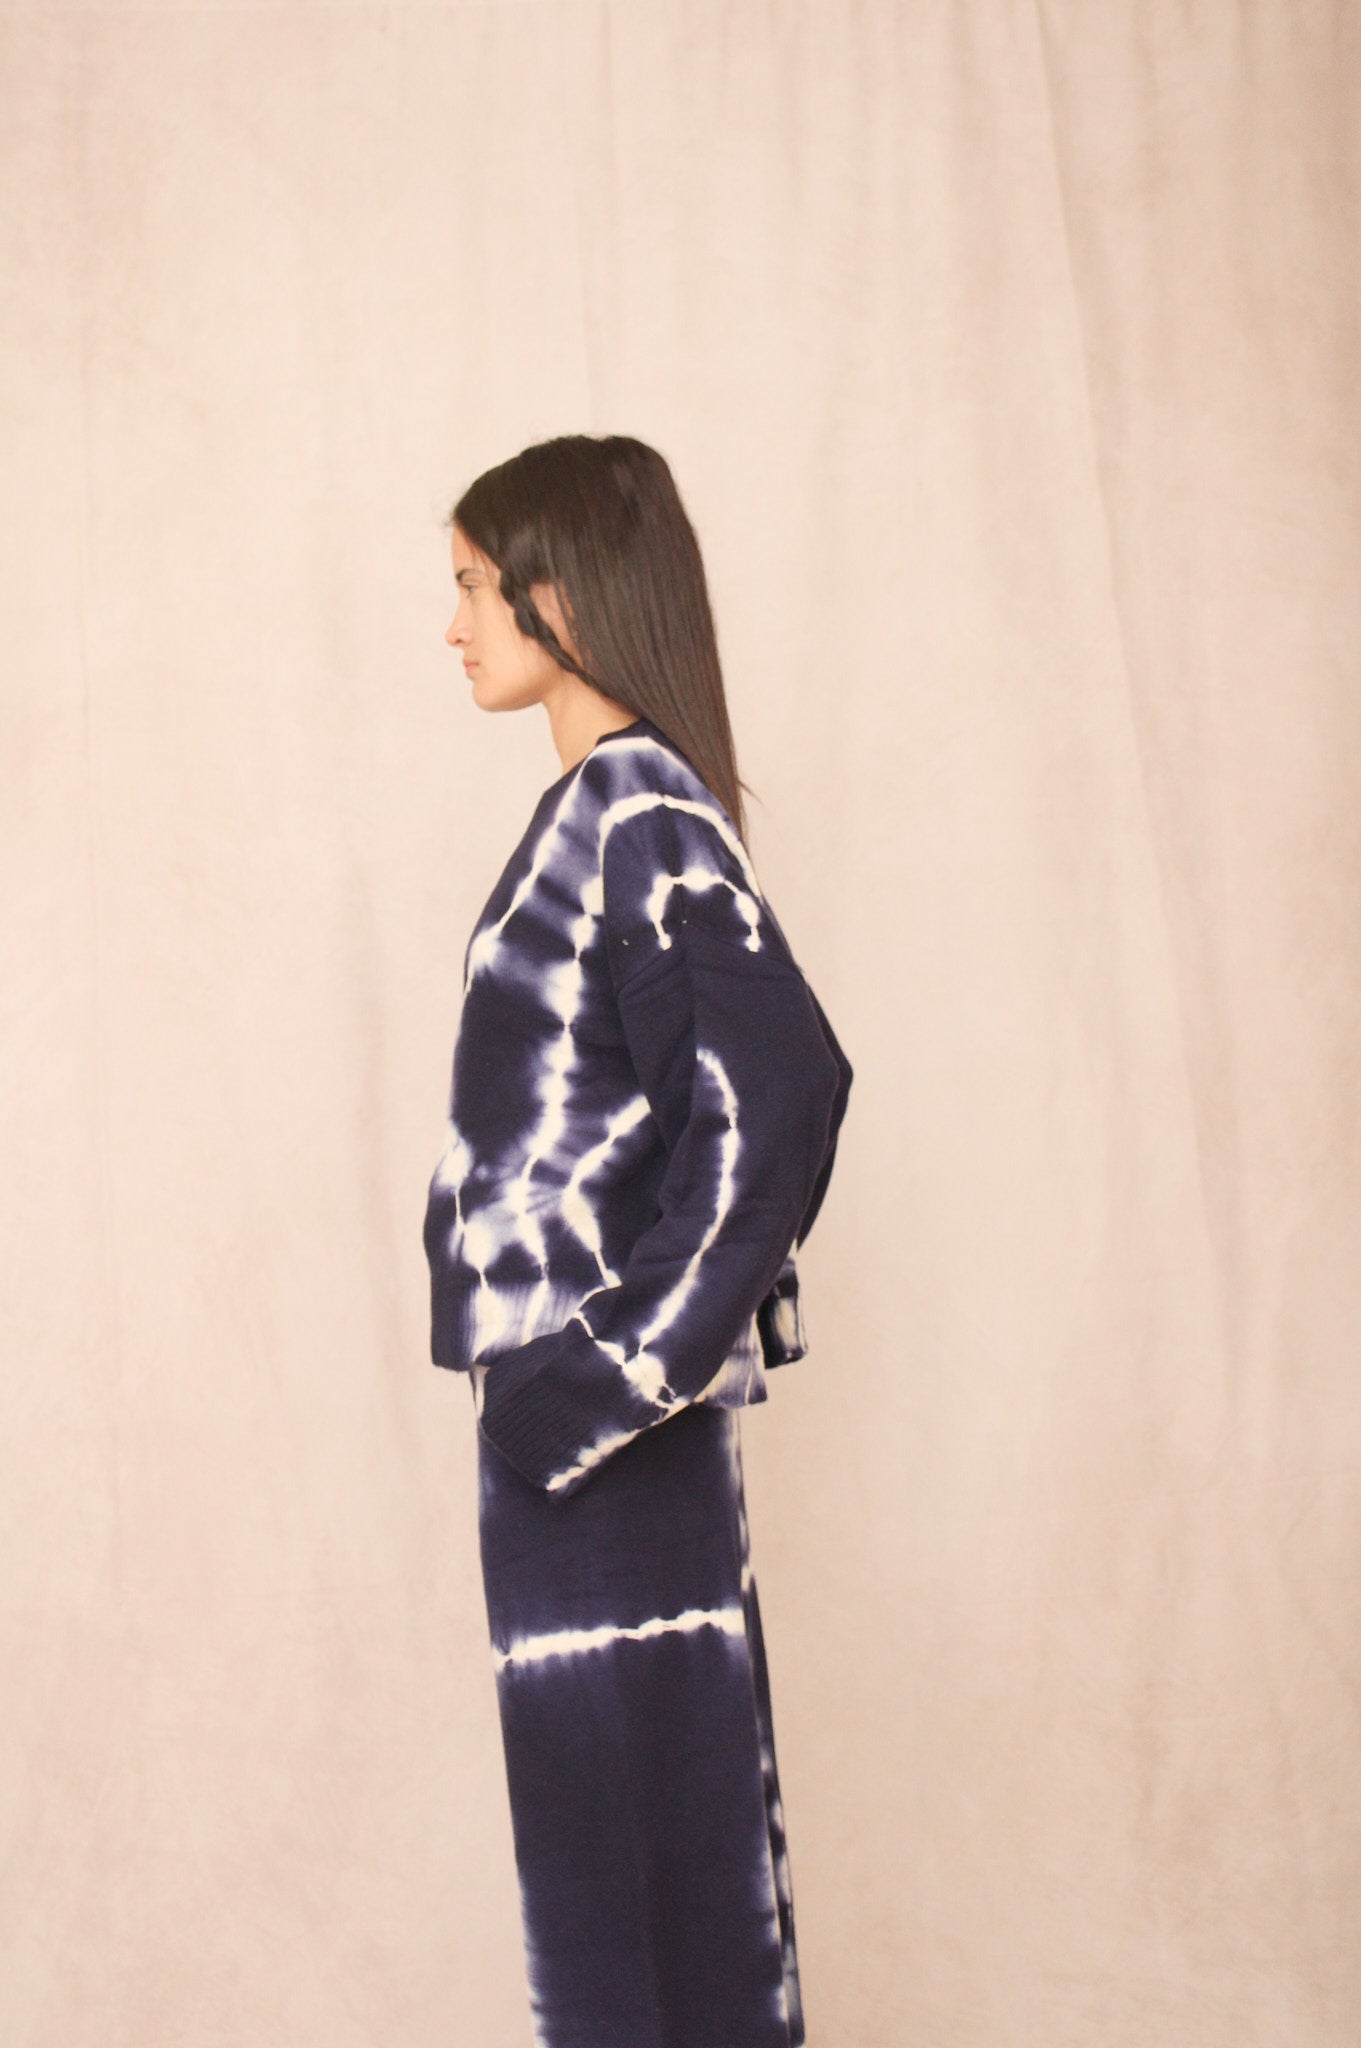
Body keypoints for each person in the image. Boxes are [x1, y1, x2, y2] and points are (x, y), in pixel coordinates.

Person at [422, 433, 854, 2048]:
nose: (454, 626)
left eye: (473, 587)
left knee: (645, 1898)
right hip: (573, 1443)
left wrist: (598, 1381)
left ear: (562, 591)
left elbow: (773, 1109)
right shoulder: (609, 812)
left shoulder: (637, 814)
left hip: (601, 1442)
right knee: (635, 1875)